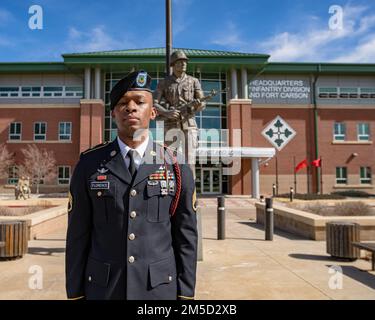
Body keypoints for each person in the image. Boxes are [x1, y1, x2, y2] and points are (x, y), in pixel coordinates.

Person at [65, 70, 198, 300]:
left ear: (154, 112)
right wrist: (75, 294)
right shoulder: (89, 164)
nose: (131, 107)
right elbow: (78, 235)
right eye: (123, 103)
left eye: (140, 102)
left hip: (157, 291)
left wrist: (185, 294)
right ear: (113, 113)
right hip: (103, 289)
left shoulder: (175, 165)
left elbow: (185, 237)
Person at [154, 50, 206, 176]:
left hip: (189, 123)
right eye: (180, 61)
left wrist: (196, 106)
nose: (183, 64)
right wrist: (166, 112)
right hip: (171, 124)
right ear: (173, 64)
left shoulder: (194, 81)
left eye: (185, 62)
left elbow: (203, 104)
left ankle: (190, 193)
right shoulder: (164, 82)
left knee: (190, 161)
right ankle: (171, 191)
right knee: (169, 159)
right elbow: (154, 103)